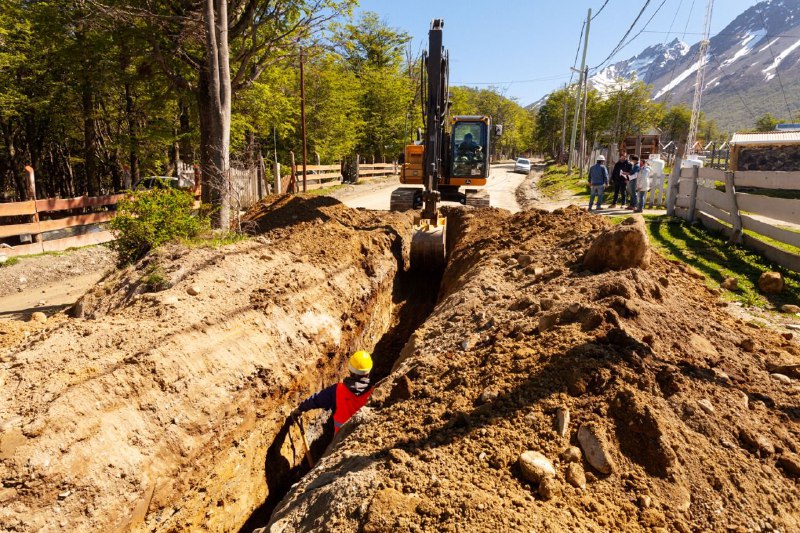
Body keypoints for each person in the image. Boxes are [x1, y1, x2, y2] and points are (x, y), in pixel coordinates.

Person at [290, 350, 374, 433]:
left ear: (350, 370)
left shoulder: (337, 390)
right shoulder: (374, 393)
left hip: (340, 442)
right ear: (368, 372)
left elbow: (316, 400)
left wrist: (300, 409)